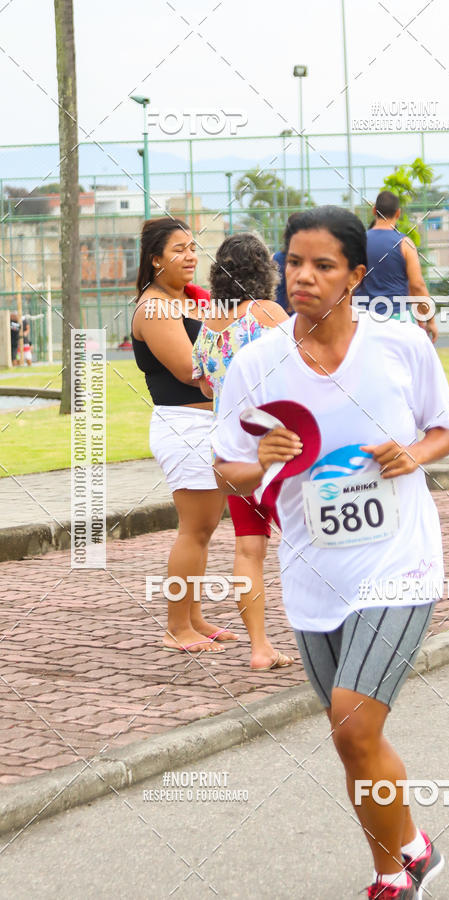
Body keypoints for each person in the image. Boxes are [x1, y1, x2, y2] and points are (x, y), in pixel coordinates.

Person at [211, 206, 449, 898]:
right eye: (294, 262)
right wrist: (257, 457)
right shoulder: (258, 363)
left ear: (355, 275)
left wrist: (412, 452)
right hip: (315, 573)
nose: (304, 277)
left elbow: (447, 427)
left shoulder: (400, 345)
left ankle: (392, 877)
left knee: (352, 721)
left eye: (323, 266)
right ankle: (411, 846)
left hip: (400, 563)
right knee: (353, 737)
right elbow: (225, 468)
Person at [131, 217, 237, 654]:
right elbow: (188, 369)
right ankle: (177, 627)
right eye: (179, 249)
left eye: (193, 247)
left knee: (204, 527)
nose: (191, 256)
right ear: (156, 260)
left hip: (208, 424)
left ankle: (193, 617)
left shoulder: (190, 301)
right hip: (185, 426)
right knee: (194, 529)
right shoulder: (154, 307)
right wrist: (239, 370)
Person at [190, 233, 294, 672]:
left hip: (235, 452)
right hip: (282, 444)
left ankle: (259, 647)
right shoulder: (268, 314)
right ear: (263, 270)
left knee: (248, 548)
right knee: (311, 541)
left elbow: (202, 382)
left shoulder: (209, 323)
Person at [361, 190, 438, 343]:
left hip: (363, 322)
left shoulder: (358, 242)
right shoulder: (405, 244)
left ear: (374, 210)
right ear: (398, 213)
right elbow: (417, 285)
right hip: (397, 320)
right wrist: (431, 321)